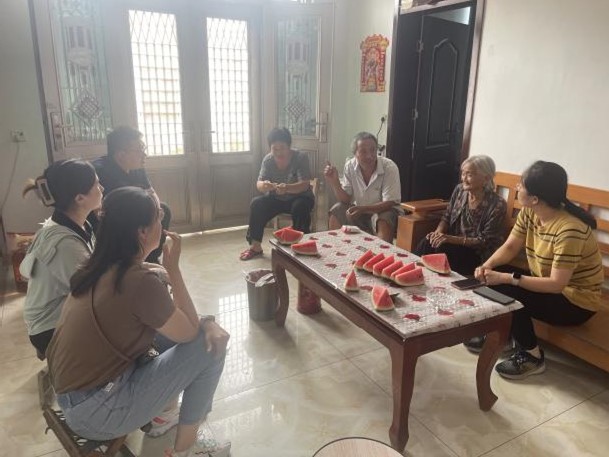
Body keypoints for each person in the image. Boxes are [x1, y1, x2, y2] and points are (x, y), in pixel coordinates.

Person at [46, 187, 231, 457]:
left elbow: (174, 324)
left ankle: (163, 416)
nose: (162, 223)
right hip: (97, 412)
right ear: (142, 232)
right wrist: (174, 270)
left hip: (74, 397)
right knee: (210, 345)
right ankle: (187, 449)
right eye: (158, 217)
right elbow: (190, 332)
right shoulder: (138, 281)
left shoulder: (100, 266)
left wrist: (206, 321)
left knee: (178, 334)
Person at [467, 161, 603, 380]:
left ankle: (532, 355)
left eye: (521, 185)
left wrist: (507, 278)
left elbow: (557, 284)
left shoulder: (570, 230)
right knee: (498, 275)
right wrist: (487, 265)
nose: (517, 187)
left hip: (576, 301)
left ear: (535, 199)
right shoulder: (530, 213)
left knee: (509, 290)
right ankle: (506, 336)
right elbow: (510, 247)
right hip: (551, 286)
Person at [19, 159, 103, 359]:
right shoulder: (65, 244)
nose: (102, 188)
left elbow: (93, 268)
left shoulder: (73, 224)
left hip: (60, 312)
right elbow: (92, 292)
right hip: (48, 328)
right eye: (96, 184)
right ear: (80, 198)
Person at [414, 155, 507, 276]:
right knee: (428, 241)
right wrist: (438, 233)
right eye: (463, 174)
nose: (464, 179)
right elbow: (447, 216)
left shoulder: (497, 204)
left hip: (477, 254)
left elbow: (485, 241)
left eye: (469, 175)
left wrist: (449, 239)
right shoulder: (460, 190)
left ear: (486, 178)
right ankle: (411, 270)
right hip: (453, 243)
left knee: (443, 250)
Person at [91, 126, 171, 263]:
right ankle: (131, 262)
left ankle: (150, 258)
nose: (144, 154)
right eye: (139, 150)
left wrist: (156, 211)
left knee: (163, 210)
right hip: (111, 220)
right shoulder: (100, 171)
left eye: (144, 148)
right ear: (121, 155)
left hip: (132, 213)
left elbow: (151, 192)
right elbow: (98, 209)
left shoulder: (136, 167)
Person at [240, 127, 315, 260]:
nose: (279, 152)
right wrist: (264, 185)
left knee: (300, 207)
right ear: (270, 148)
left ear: (289, 146)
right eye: (275, 149)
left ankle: (301, 246)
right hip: (277, 198)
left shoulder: (300, 157)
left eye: (282, 148)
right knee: (256, 204)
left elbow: (304, 185)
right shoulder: (268, 160)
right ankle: (255, 247)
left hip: (300, 197)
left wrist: (287, 188)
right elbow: (259, 184)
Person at [324, 132, 402, 243]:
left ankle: (380, 252)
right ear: (355, 153)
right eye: (363, 151)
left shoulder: (389, 167)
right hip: (360, 210)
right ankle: (337, 247)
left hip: (384, 211)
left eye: (373, 150)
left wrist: (363, 209)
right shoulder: (350, 166)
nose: (369, 156)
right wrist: (334, 181)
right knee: (337, 210)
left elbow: (389, 203)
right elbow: (346, 199)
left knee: (384, 218)